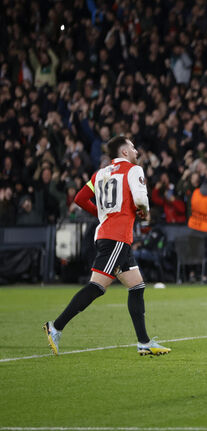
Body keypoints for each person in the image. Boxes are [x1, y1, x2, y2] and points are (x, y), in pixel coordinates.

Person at [43, 136, 170, 356]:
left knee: (137, 286)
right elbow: (141, 200)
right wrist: (144, 213)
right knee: (97, 287)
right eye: (132, 147)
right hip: (117, 237)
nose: (136, 150)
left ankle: (144, 342)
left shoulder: (100, 173)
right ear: (124, 152)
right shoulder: (133, 170)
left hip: (109, 235)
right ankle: (55, 327)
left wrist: (102, 215)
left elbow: (81, 198)